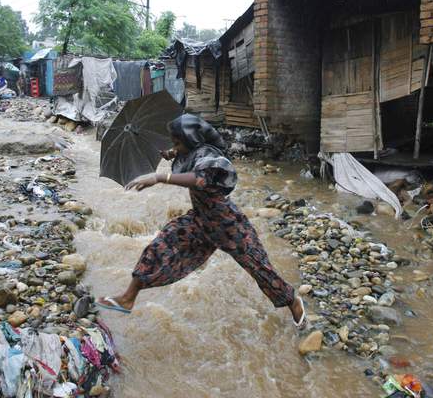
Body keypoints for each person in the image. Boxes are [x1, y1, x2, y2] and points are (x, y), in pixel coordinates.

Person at [97, 114, 306, 328]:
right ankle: (127, 298)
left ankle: (292, 301)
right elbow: (185, 157)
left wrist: (159, 177)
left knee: (259, 268)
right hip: (199, 220)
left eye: (178, 142)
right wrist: (170, 153)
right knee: (160, 245)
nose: (175, 147)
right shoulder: (191, 151)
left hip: (228, 226)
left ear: (192, 140)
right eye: (174, 142)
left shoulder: (211, 157)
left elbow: (199, 179)